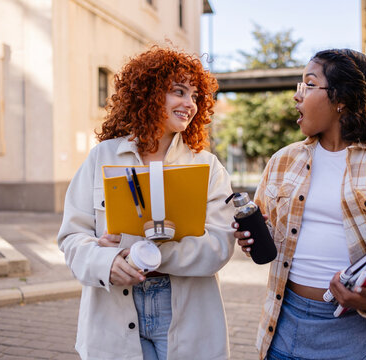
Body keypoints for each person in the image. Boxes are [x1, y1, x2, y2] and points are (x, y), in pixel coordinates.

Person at [234, 49, 366, 360]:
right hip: (284, 330)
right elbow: (269, 235)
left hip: (359, 340)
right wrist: (252, 239)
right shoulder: (282, 162)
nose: (296, 96)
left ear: (339, 98)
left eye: (308, 84)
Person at [58, 46, 235, 360]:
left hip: (186, 313)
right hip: (112, 311)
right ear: (148, 94)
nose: (189, 104)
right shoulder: (102, 157)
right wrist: (107, 262)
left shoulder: (208, 166)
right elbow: (72, 237)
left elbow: (219, 246)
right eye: (178, 92)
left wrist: (148, 256)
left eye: (195, 96)